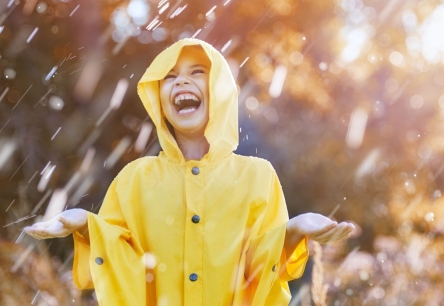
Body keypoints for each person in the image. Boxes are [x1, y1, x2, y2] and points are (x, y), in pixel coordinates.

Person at [24, 38, 355, 306]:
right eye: (169, 76)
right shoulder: (134, 179)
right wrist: (88, 226)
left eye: (197, 72)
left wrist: (293, 231)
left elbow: (259, 268)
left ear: (220, 92)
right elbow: (122, 263)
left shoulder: (258, 177)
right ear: (159, 99)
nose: (181, 80)